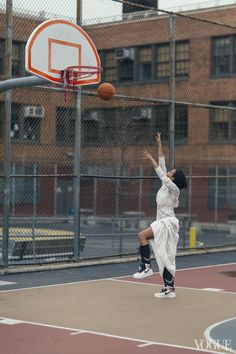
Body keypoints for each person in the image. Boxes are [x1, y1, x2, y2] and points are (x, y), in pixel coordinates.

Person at [133, 132, 187, 299]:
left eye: (172, 171)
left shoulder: (174, 189)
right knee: (163, 256)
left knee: (142, 235)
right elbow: (162, 161)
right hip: (161, 222)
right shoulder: (166, 185)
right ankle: (169, 289)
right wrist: (159, 143)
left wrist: (150, 159)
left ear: (174, 177)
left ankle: (146, 266)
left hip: (168, 223)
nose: (169, 170)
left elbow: (161, 173)